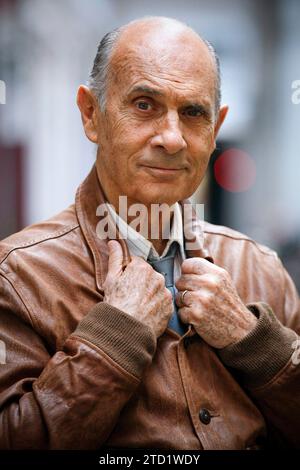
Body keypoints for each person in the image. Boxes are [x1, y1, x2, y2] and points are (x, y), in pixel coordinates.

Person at [0, 16, 299, 450]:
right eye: (144, 104)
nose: (172, 138)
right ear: (91, 114)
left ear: (215, 129)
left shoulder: (259, 268)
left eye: (194, 113)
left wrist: (254, 343)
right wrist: (115, 336)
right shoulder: (17, 277)